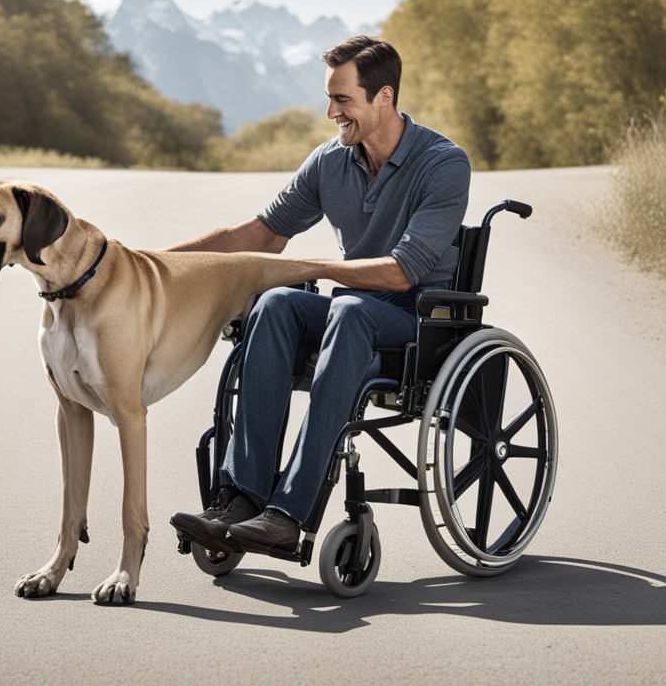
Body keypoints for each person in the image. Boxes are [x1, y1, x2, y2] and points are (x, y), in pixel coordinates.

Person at [169, 35, 470, 555]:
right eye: (329, 98)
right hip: (354, 307)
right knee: (276, 303)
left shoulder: (443, 163)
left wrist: (315, 267)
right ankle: (242, 500)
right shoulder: (332, 160)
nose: (331, 111)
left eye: (342, 99)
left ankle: (287, 515)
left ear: (384, 97)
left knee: (348, 308)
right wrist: (161, 262)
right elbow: (262, 235)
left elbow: (403, 273)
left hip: (420, 319)